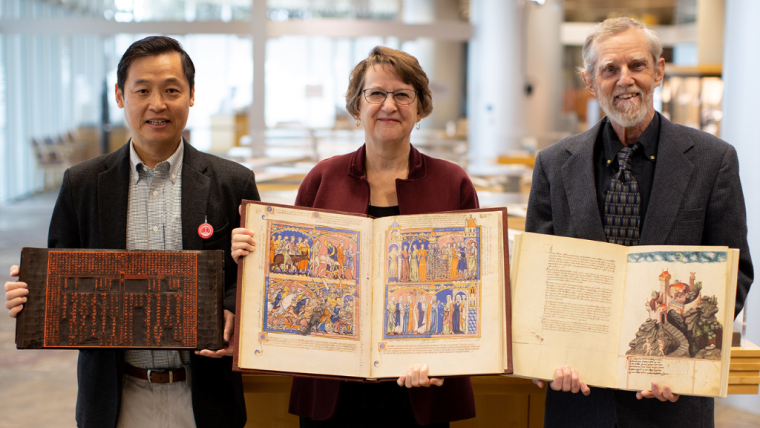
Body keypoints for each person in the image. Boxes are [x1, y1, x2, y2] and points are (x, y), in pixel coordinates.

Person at [3, 36, 258, 427]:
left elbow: (249, 275)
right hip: (115, 397)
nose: (158, 104)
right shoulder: (82, 184)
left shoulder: (232, 182)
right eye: (142, 90)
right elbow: (62, 268)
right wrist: (33, 295)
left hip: (205, 395)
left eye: (172, 90)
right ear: (121, 96)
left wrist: (232, 308)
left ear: (191, 96)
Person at [526, 17, 753, 427]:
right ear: (590, 82)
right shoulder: (554, 164)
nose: (625, 79)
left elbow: (734, 271)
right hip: (579, 398)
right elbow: (538, 279)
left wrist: (683, 360)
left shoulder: (712, 160)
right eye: (610, 69)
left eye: (637, 65)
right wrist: (550, 355)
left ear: (659, 71)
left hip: (673, 402)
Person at [231, 46, 476, 426]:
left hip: (421, 385)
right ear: (357, 106)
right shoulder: (323, 177)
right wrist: (251, 250)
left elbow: (474, 282)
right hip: (331, 385)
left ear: (421, 107)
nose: (388, 105)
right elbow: (290, 273)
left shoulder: (452, 182)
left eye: (402, 94)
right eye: (375, 93)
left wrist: (450, 359)